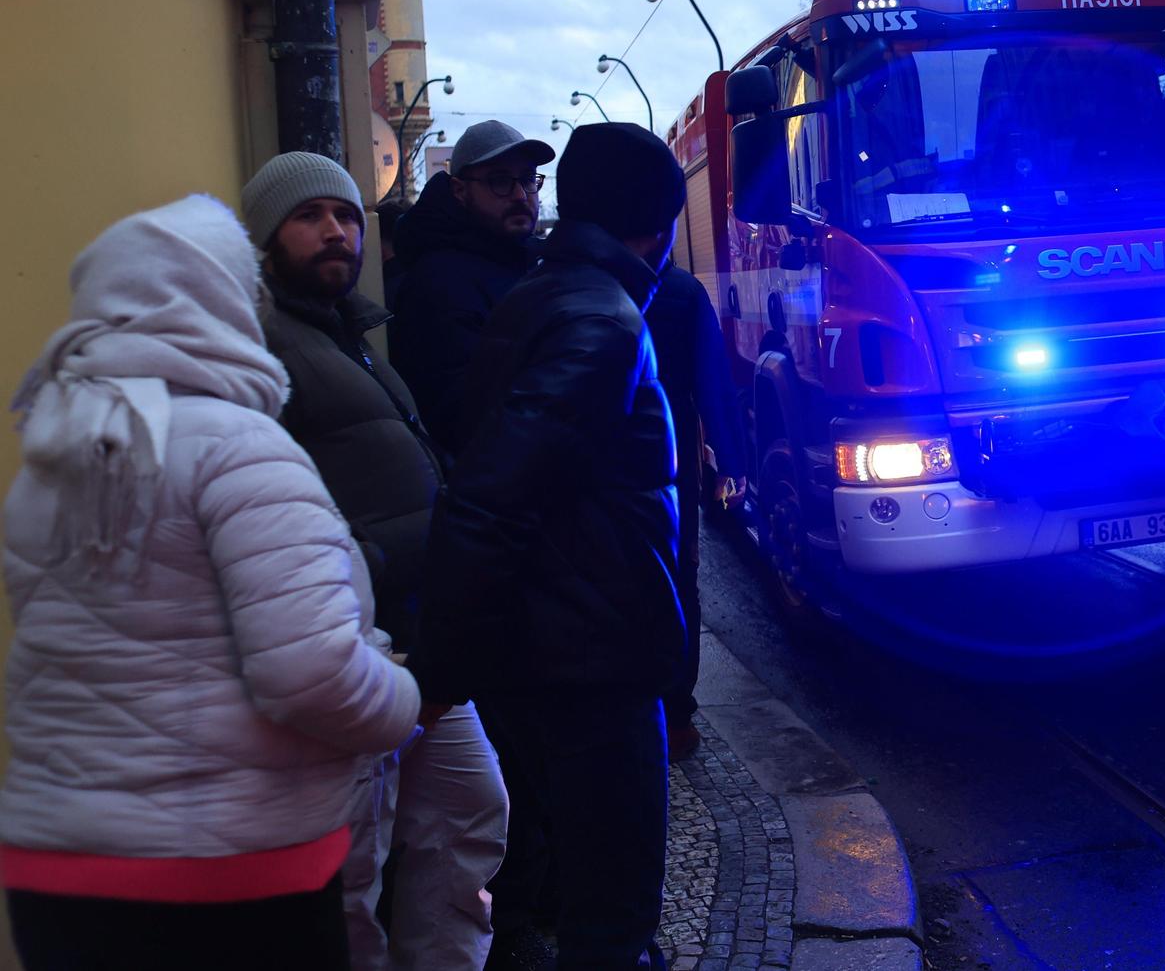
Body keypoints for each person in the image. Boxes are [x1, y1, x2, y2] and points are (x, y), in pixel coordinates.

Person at [0, 196, 418, 971]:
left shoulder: (58, 449)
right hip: (229, 871)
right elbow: (314, 674)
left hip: (54, 867)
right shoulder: (238, 446)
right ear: (220, 294)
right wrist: (404, 697)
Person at [415, 123, 689, 970]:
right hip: (592, 657)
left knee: (585, 886)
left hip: (560, 643)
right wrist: (440, 674)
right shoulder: (601, 321)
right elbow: (492, 496)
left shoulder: (546, 291)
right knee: (613, 910)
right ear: (658, 222)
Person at [241, 152, 509, 970]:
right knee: (351, 867)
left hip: (417, 643)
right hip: (353, 646)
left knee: (469, 808)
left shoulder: (353, 334)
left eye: (348, 215)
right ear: (263, 238)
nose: (336, 230)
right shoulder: (256, 342)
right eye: (310, 216)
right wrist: (366, 558)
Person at [388, 120, 555, 454]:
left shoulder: (534, 263)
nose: (520, 195)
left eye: (527, 179)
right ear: (460, 192)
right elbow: (461, 415)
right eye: (499, 182)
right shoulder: (438, 283)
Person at [645, 262, 749, 762]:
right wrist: (729, 460)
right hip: (670, 455)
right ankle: (677, 718)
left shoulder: (557, 279)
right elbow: (714, 382)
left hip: (596, 461)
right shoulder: (681, 289)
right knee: (679, 579)